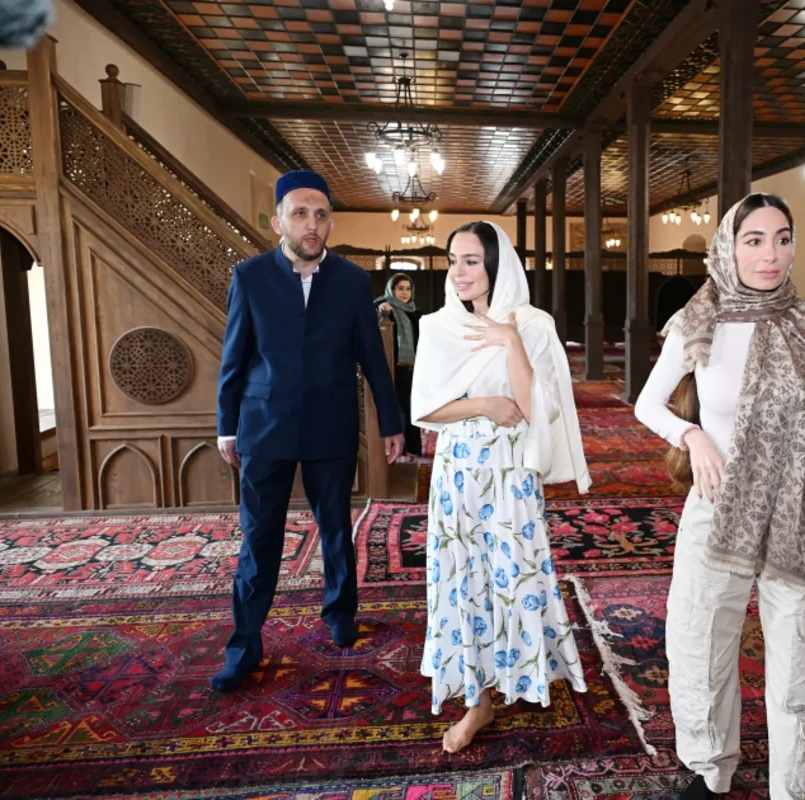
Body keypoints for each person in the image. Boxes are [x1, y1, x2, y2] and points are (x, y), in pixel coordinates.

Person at [634, 193, 805, 800]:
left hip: (791, 515)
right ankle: (708, 770)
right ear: (729, 247)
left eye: (782, 238)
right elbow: (647, 403)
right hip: (717, 505)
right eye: (754, 240)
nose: (770, 254)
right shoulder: (701, 320)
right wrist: (692, 435)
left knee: (800, 654)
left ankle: (798, 788)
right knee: (700, 640)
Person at [213, 170, 404, 692]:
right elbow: (234, 359)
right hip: (264, 427)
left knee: (335, 528)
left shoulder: (352, 280)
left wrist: (391, 423)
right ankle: (244, 646)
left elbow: (372, 358)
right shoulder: (249, 276)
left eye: (320, 214)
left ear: (331, 224)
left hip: (330, 423)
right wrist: (227, 426)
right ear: (279, 222)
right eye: (300, 214)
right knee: (259, 539)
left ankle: (340, 613)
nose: (311, 224)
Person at [411, 221, 592, 754]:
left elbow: (535, 408)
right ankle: (477, 702)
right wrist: (484, 405)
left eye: (471, 260)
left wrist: (509, 340)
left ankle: (522, 673)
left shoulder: (532, 324)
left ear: (496, 263)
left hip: (511, 473)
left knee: (513, 572)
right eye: (453, 260)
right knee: (463, 579)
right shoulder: (439, 326)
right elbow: (425, 408)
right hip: (457, 475)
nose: (459, 272)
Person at [377, 273, 423, 457]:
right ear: (391, 290)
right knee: (395, 411)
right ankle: (395, 450)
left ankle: (413, 451)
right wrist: (383, 313)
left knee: (411, 409)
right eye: (400, 288)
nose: (405, 293)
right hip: (389, 369)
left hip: (411, 369)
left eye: (408, 289)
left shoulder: (415, 313)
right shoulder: (382, 307)